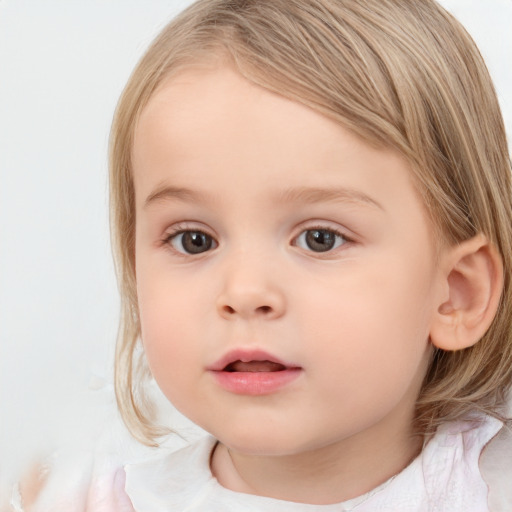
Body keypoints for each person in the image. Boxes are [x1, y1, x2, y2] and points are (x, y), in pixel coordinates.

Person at [13, 0, 512, 510]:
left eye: (320, 238)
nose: (244, 292)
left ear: (456, 294)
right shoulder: (89, 499)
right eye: (194, 240)